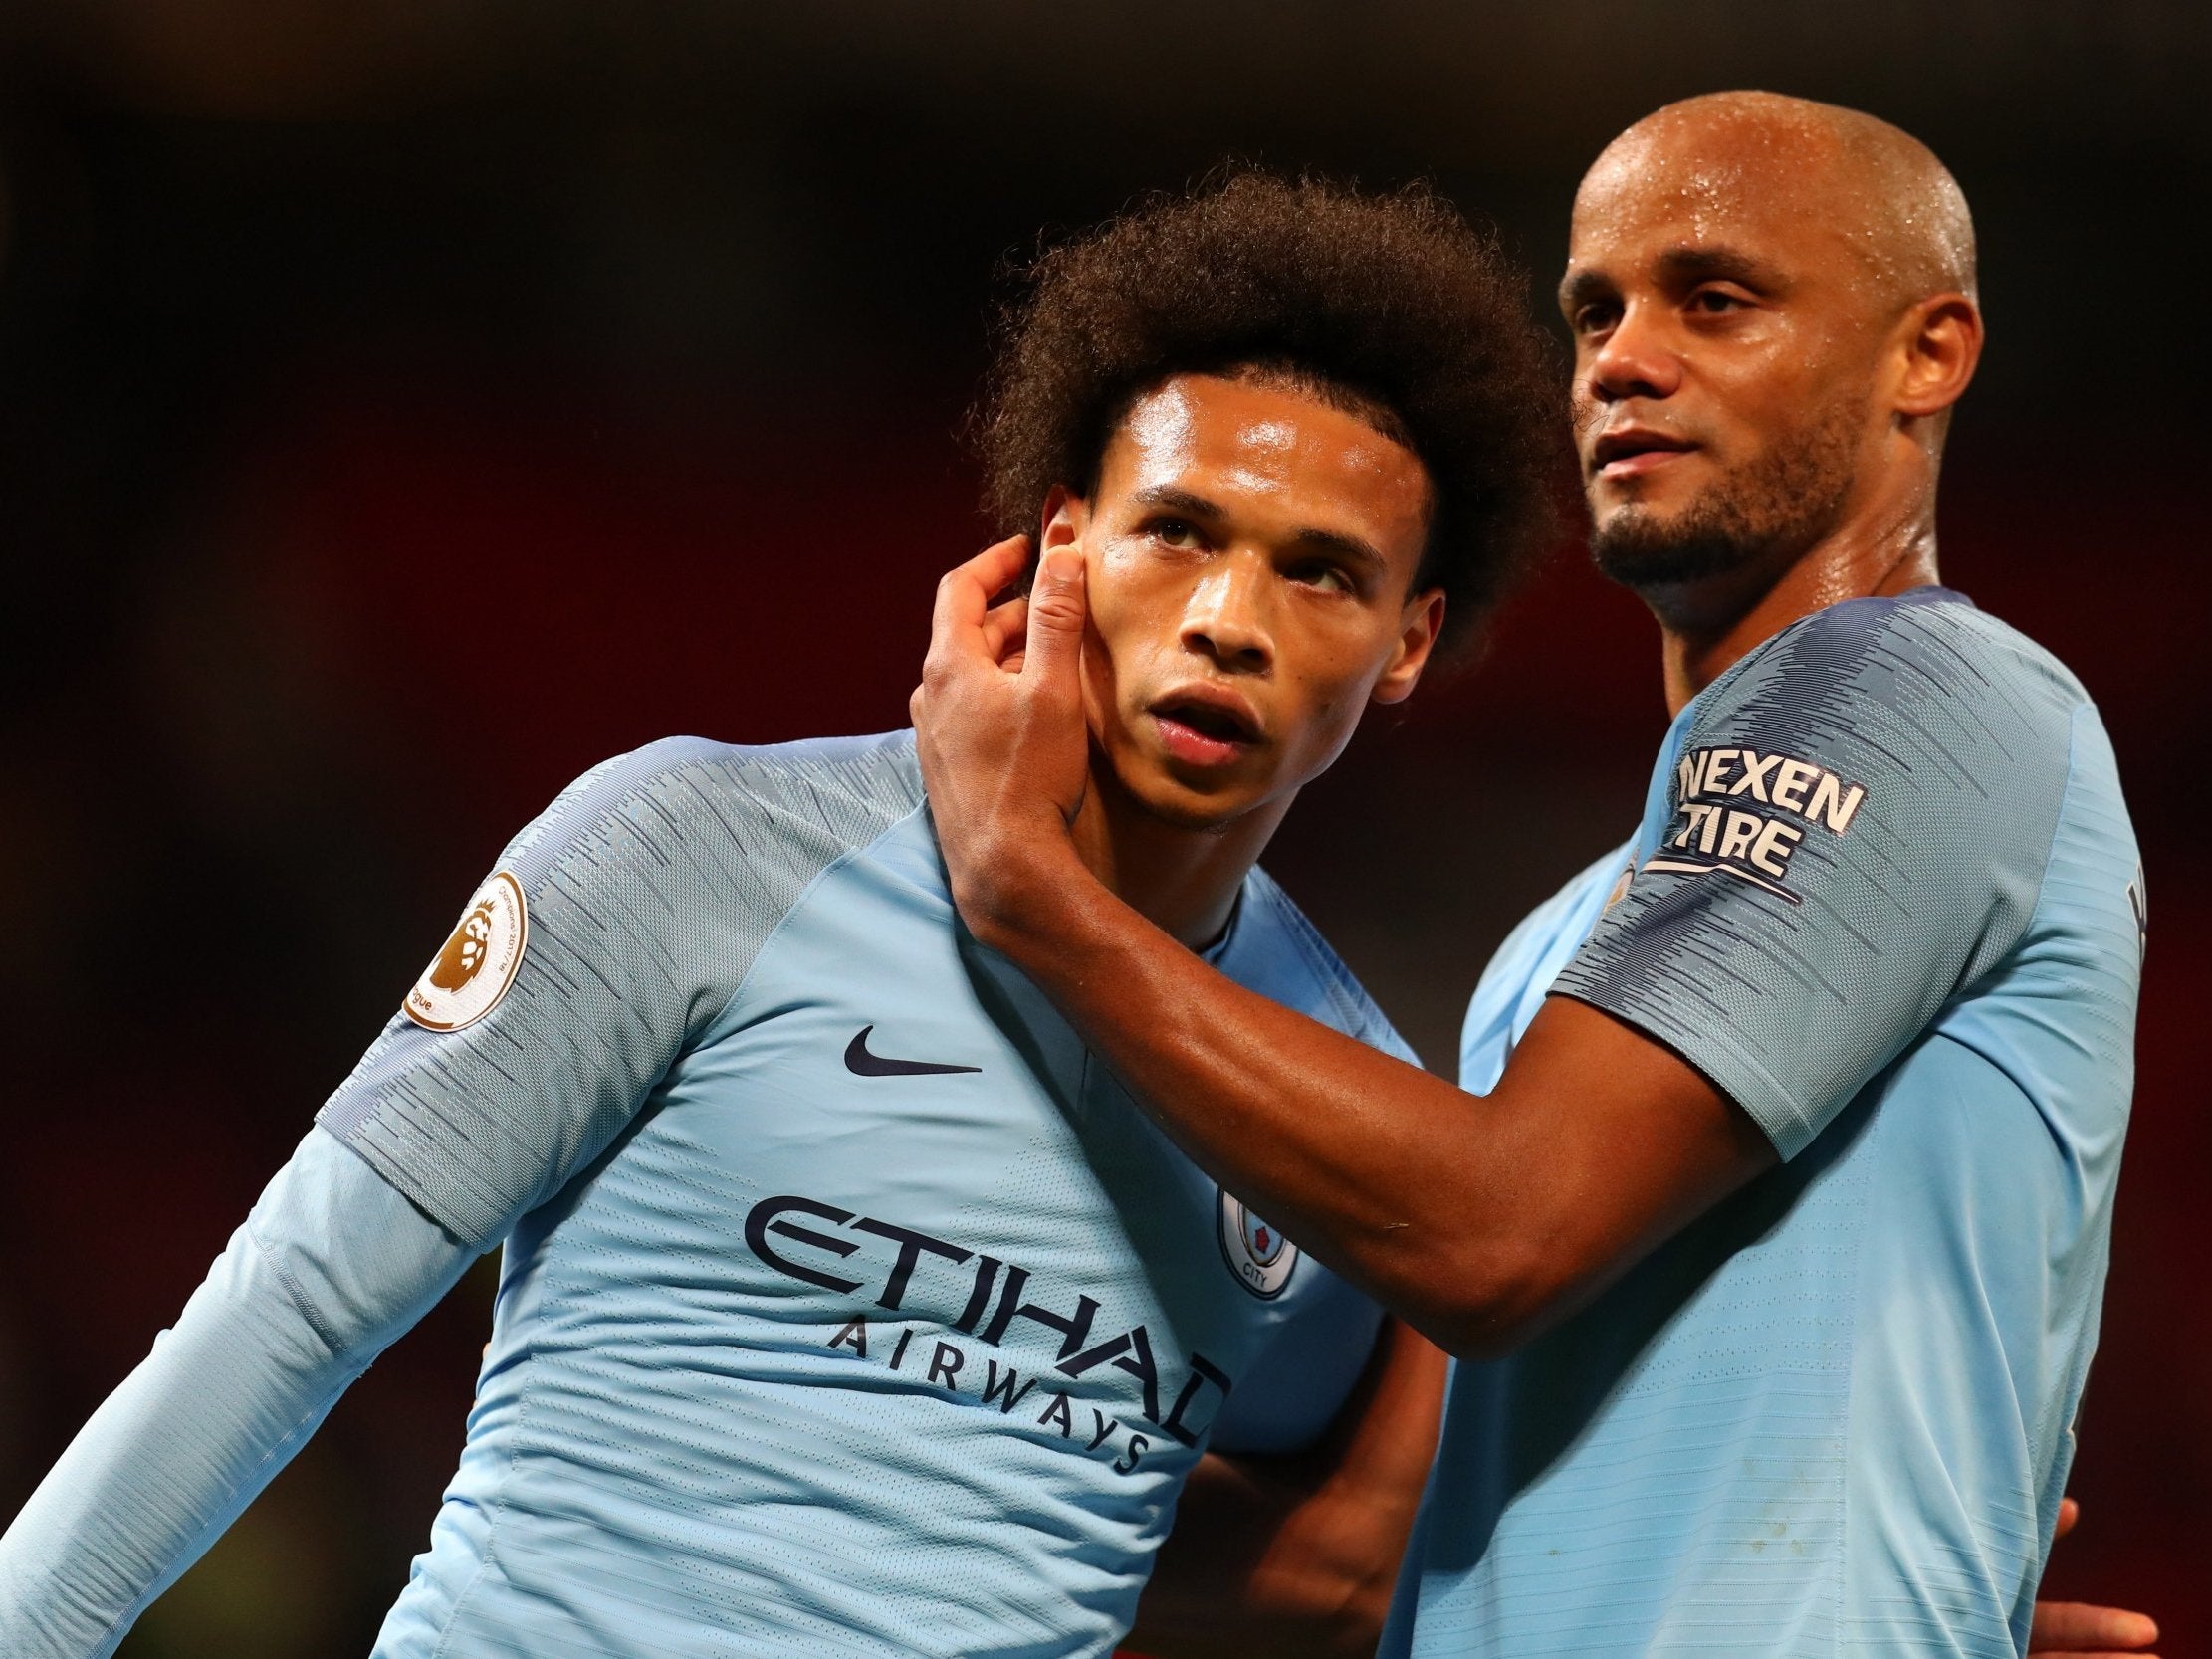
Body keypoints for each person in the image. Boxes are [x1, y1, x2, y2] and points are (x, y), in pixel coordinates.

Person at [0, 175, 1561, 1658]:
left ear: (1408, 643)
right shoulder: (694, 849)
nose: (1228, 620)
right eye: (1181, 532)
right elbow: (294, 1303)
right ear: (1062, 543)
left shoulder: (1341, 1108)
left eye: (1321, 573)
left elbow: (1343, 1559)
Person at [914, 93, 2151, 1656]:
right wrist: (796, 1491)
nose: (1621, 360)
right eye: (1593, 312)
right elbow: (1357, 1560)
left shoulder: (1920, 690)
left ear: (1928, 353)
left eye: (1713, 300)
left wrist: (1029, 888)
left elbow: (1495, 1235)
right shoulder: (1559, 946)